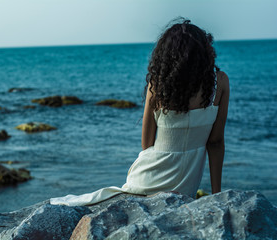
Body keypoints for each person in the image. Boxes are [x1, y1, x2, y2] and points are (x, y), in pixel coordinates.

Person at [50, 19, 229, 206]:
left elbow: (147, 145)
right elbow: (215, 142)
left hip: (147, 178)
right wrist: (217, 195)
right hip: (186, 186)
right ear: (204, 52)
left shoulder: (158, 85)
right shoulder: (220, 83)